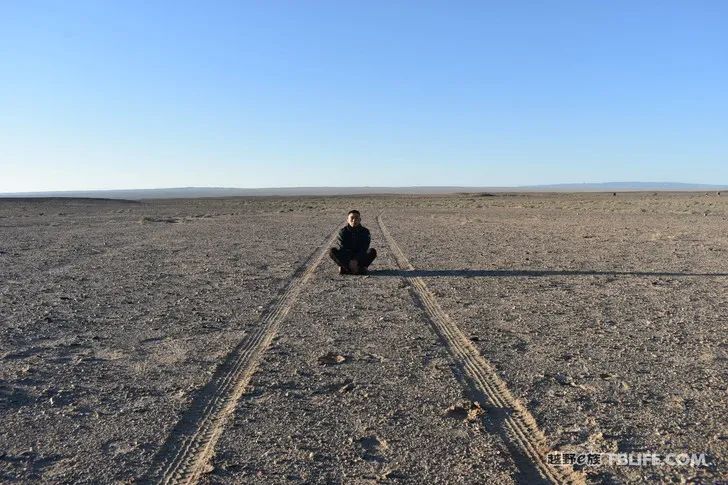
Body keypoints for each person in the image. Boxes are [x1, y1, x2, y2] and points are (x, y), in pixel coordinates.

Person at [329, 210, 377, 275]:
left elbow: (364, 248)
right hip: (347, 258)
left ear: (360, 220)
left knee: (372, 251)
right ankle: (358, 269)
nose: (354, 220)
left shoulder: (365, 231)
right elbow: (343, 248)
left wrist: (356, 259)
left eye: (356, 218)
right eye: (352, 218)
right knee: (332, 251)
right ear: (348, 220)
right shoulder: (343, 232)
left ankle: (346, 269)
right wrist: (350, 261)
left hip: (360, 257)